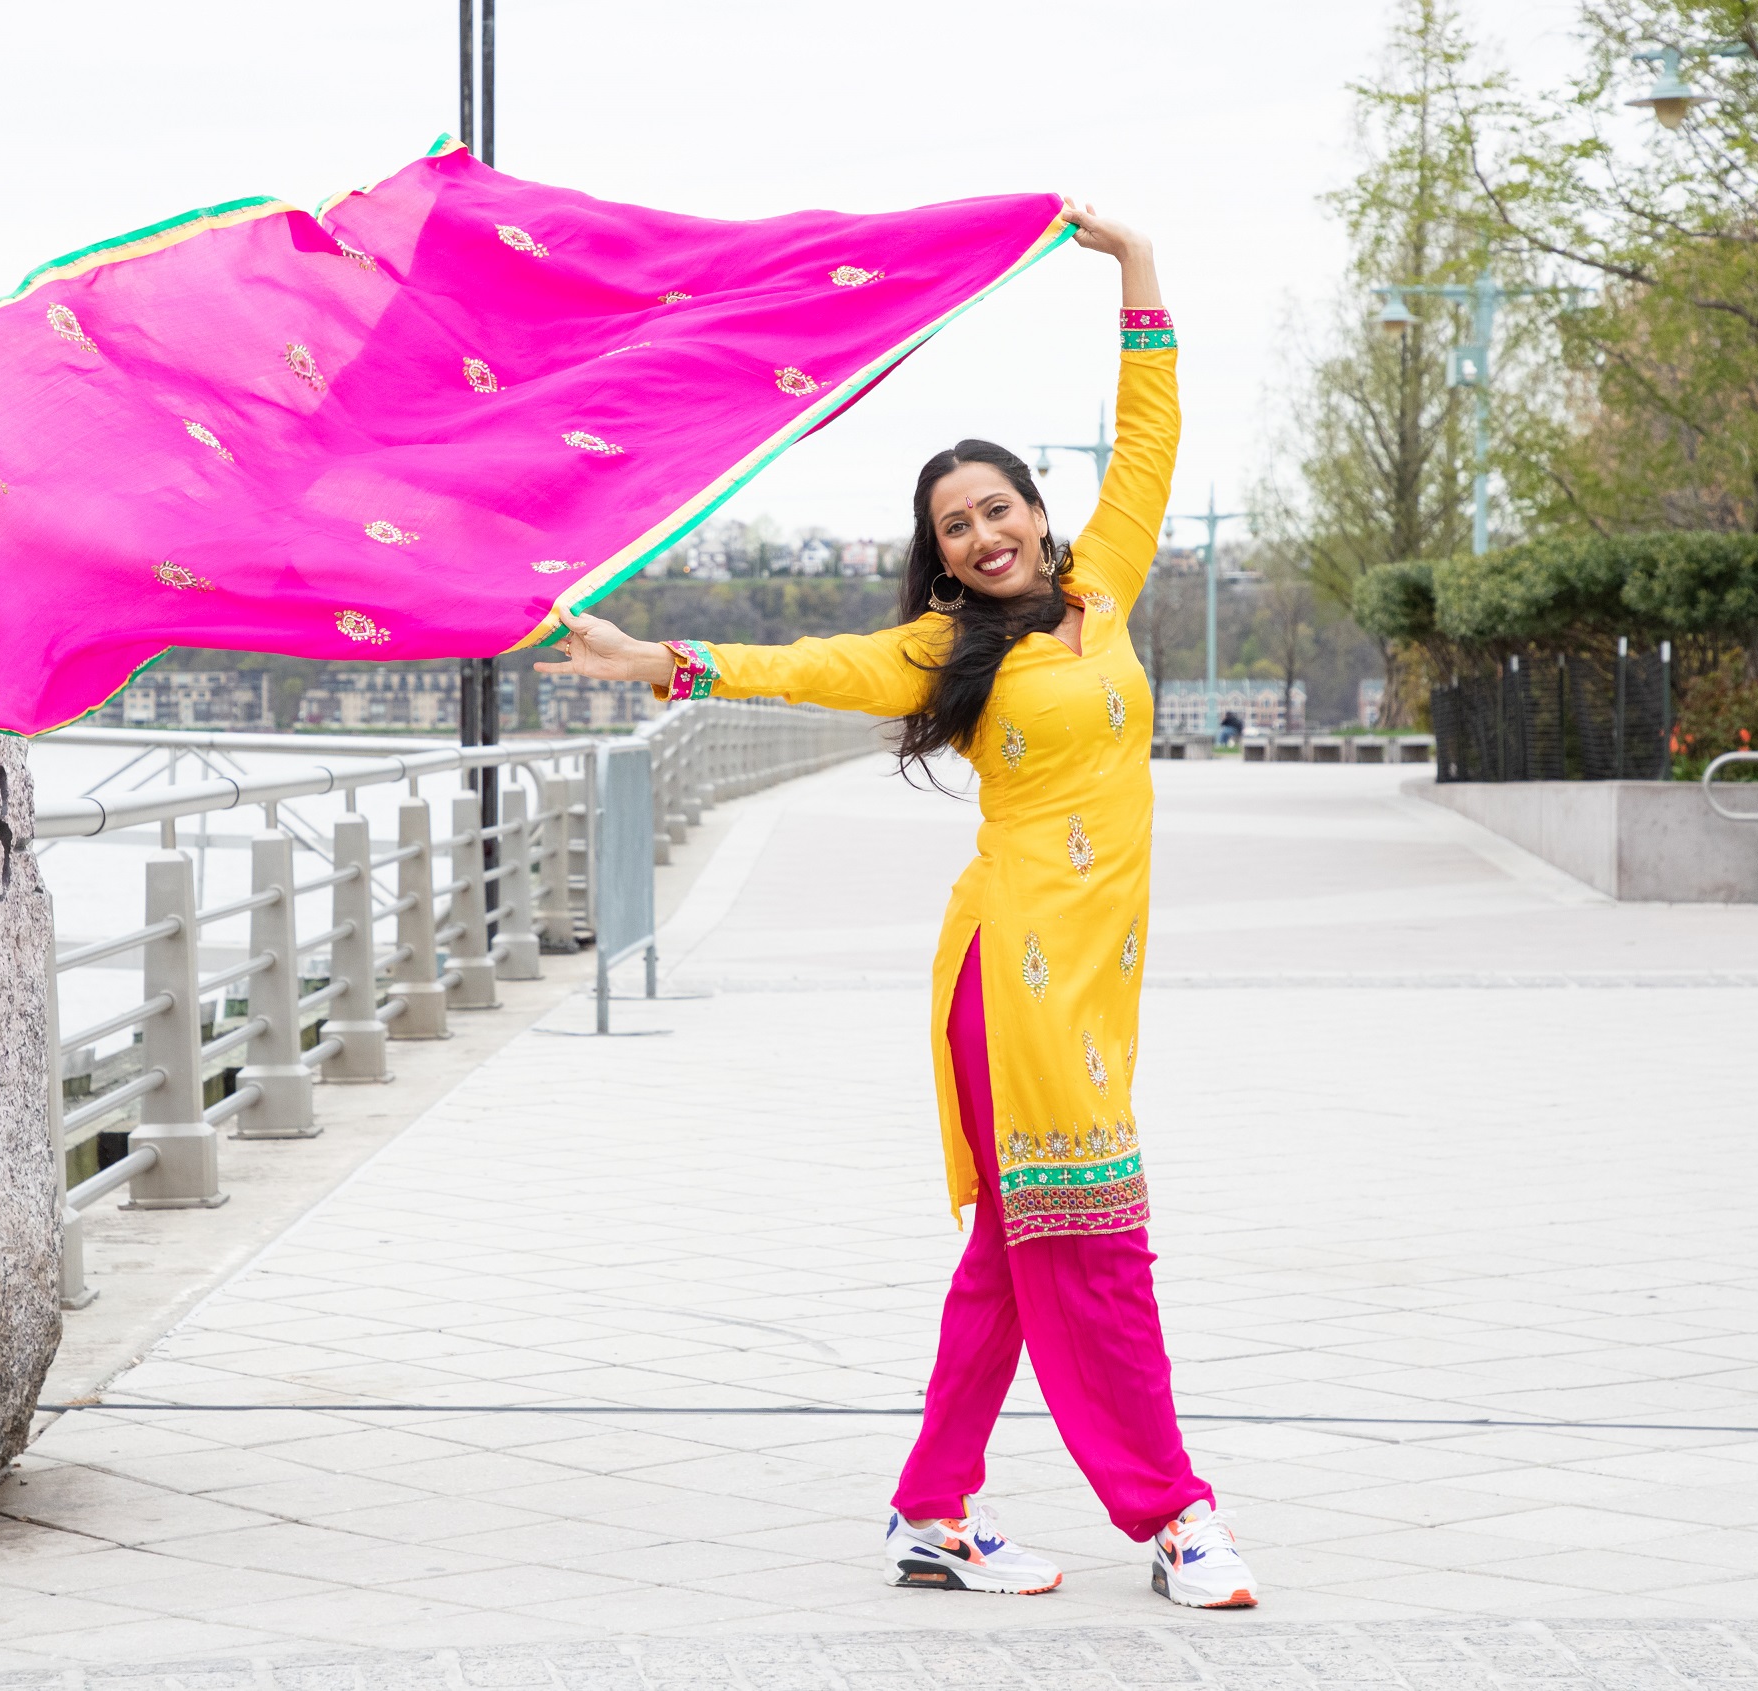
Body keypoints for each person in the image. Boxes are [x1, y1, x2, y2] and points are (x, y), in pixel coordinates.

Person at [533, 204, 1257, 1609]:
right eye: (953, 526)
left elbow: (1151, 434)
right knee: (1094, 1243)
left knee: (1011, 1251)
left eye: (997, 509)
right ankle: (1173, 1517)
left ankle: (932, 1515)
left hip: (1096, 983)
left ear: (1041, 515)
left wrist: (1140, 268)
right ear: (935, 556)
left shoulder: (1101, 594)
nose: (983, 536)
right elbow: (804, 663)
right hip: (1016, 980)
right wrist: (655, 662)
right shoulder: (937, 651)